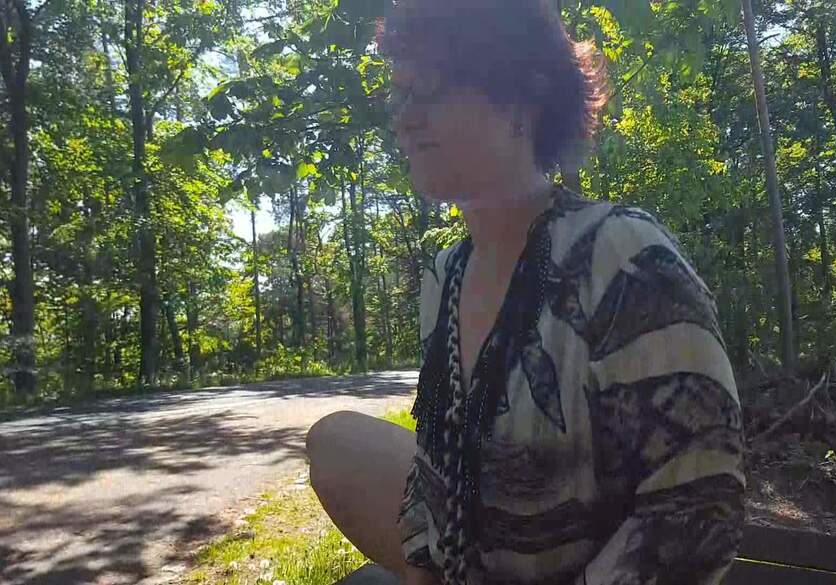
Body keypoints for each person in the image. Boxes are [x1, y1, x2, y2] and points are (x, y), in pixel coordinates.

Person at [306, 0, 746, 583]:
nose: (405, 119)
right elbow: (434, 472)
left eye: (429, 90)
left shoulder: (625, 257)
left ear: (520, 99)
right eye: (400, 96)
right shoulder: (445, 276)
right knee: (332, 441)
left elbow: (699, 509)